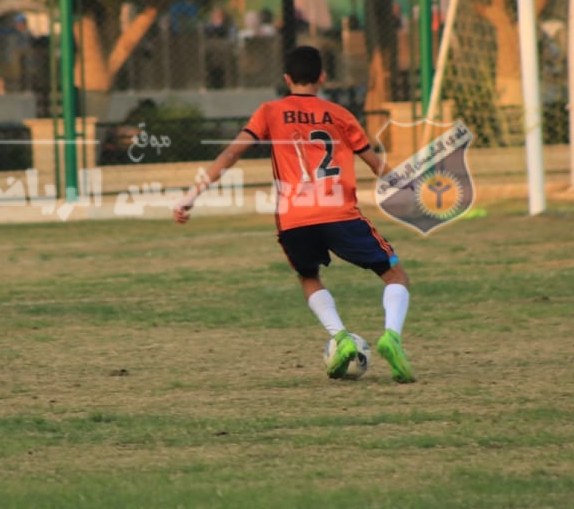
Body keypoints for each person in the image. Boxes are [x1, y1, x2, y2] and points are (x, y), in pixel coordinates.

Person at [172, 46, 416, 383]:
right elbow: (375, 164)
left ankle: (341, 337)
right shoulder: (341, 115)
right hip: (339, 213)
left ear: (287, 78)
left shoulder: (270, 111)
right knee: (395, 274)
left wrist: (192, 195)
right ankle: (392, 336)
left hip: (294, 219)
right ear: (323, 77)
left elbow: (232, 153)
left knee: (309, 276)